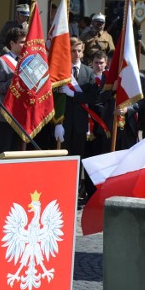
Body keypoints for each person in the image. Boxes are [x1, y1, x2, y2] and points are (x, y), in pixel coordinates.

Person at [60, 37, 99, 201]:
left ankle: (73, 194)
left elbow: (92, 97)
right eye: (73, 50)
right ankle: (61, 191)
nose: (76, 54)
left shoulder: (88, 72)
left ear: (83, 53)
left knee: (77, 159)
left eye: (79, 51)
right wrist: (57, 122)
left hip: (80, 124)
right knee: (62, 160)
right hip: (63, 123)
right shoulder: (61, 71)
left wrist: (74, 94)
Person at [0, 27, 26, 155]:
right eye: (22, 42)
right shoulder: (2, 61)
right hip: (5, 113)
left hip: (20, 113)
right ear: (12, 44)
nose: (24, 45)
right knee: (4, 151)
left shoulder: (25, 61)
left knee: (17, 151)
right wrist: (15, 79)